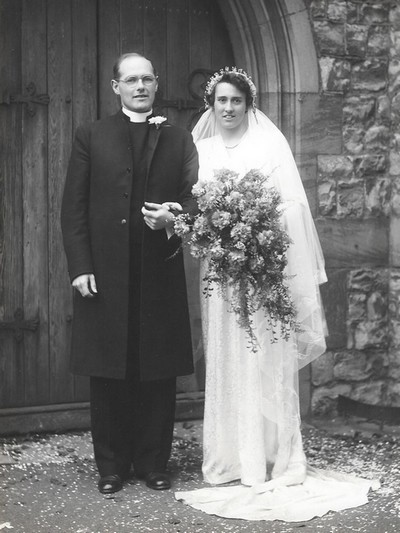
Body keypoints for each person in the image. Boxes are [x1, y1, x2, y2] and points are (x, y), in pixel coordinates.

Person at [175, 68, 378, 521]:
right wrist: (216, 229)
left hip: (264, 270)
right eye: (221, 101)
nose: (228, 108)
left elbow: (292, 206)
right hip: (223, 275)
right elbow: (192, 203)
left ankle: (274, 456)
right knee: (229, 353)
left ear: (249, 105)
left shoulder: (269, 146)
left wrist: (257, 225)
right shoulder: (200, 148)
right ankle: (231, 457)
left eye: (236, 101)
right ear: (211, 104)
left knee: (265, 352)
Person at [61, 53, 198, 495]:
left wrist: (173, 218)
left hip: (158, 270)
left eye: (147, 79)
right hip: (105, 273)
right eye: (130, 79)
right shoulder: (91, 135)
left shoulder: (178, 139)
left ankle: (155, 463)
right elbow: (74, 208)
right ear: (115, 87)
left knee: (157, 370)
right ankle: (112, 466)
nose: (140, 86)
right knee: (108, 372)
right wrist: (80, 266)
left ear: (157, 85)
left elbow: (196, 200)